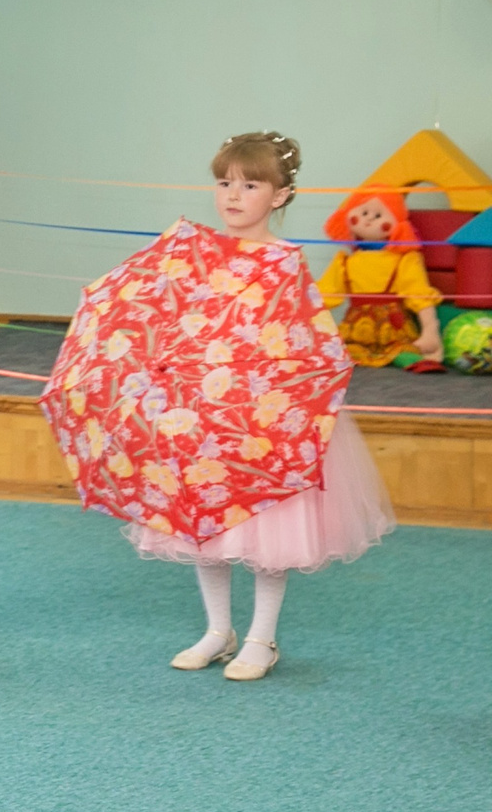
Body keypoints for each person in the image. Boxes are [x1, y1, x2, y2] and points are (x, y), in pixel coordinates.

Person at [131, 134, 396, 681]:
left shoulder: (283, 262)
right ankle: (217, 629)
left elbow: (309, 342)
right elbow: (167, 321)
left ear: (279, 196)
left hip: (263, 418)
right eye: (225, 182)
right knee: (202, 523)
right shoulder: (193, 255)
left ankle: (262, 638)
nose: (233, 195)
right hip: (199, 411)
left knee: (268, 534)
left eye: (250, 184)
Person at [316, 187, 444, 371]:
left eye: (378, 216)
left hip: (393, 330)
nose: (368, 219)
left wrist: (430, 329)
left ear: (397, 224)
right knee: (340, 352)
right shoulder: (344, 262)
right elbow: (324, 295)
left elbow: (419, 294)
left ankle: (411, 360)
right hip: (355, 331)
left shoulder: (404, 260)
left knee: (404, 351)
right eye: (364, 212)